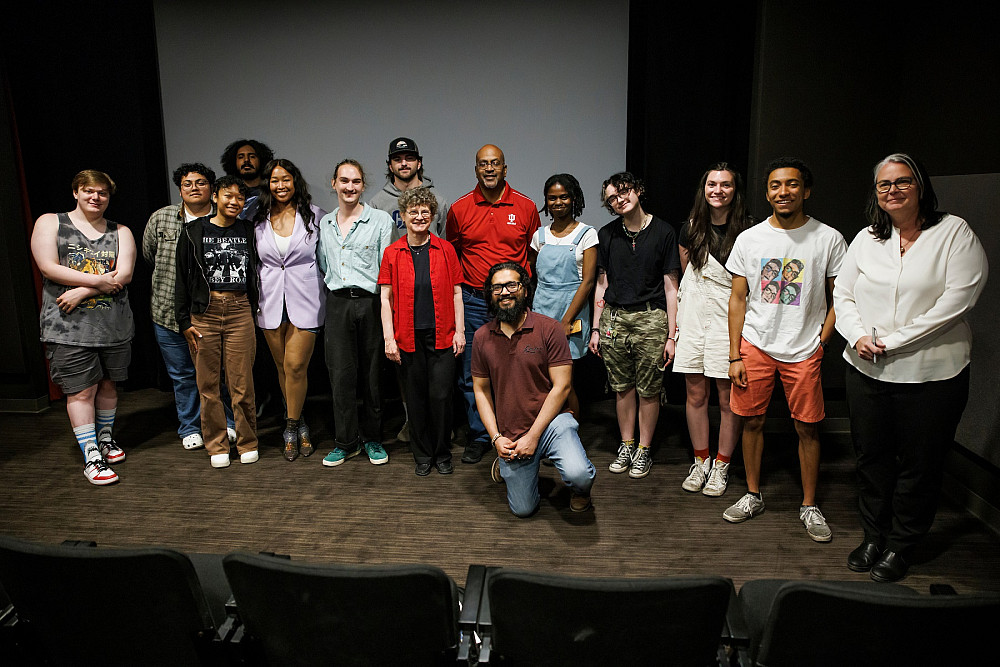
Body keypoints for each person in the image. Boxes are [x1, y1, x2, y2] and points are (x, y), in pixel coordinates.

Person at [834, 153, 988, 582]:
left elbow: (957, 301)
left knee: (920, 465)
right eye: (884, 184)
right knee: (871, 459)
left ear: (921, 186)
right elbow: (842, 296)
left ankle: (902, 545)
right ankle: (873, 536)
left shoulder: (953, 232)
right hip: (867, 370)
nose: (893, 190)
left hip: (933, 375)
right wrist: (858, 336)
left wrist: (891, 342)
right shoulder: (866, 238)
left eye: (903, 182)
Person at [723, 157, 847, 542]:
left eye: (792, 185)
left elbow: (840, 298)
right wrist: (734, 354)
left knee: (807, 428)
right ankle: (752, 494)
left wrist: (821, 343)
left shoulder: (828, 238)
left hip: (804, 347)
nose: (783, 192)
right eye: (776, 185)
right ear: (767, 192)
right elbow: (738, 299)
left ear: (806, 191)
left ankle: (809, 505)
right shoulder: (750, 239)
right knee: (752, 420)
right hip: (756, 344)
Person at [31, 170, 135, 485]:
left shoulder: (121, 231)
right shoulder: (51, 222)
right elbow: (48, 266)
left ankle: (105, 438)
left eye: (102, 193)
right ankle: (91, 455)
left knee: (107, 385)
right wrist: (98, 280)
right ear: (76, 192)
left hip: (113, 325)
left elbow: (125, 274)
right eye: (89, 191)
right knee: (81, 390)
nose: (96, 197)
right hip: (67, 328)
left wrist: (85, 290)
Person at [473, 262, 596, 516]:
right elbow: (481, 391)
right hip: (512, 431)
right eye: (497, 287)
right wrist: (496, 438)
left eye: (511, 285)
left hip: (553, 423)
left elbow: (562, 387)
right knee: (523, 510)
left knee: (579, 474)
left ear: (525, 290)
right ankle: (506, 466)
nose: (505, 292)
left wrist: (533, 436)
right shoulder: (482, 337)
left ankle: (581, 491)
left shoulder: (548, 328)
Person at [446, 145, 540, 464]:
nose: (489, 169)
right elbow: (455, 254)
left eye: (495, 163)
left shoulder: (526, 207)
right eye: (483, 164)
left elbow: (534, 254)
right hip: (474, 301)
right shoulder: (459, 209)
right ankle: (480, 434)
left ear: (505, 168)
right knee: (474, 372)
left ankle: (519, 430)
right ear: (475, 170)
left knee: (518, 369)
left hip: (514, 303)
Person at [588, 172, 679, 480]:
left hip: (652, 319)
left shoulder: (664, 231)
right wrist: (597, 328)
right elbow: (602, 284)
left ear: (638, 191)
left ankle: (644, 449)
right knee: (622, 388)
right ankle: (626, 444)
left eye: (624, 192)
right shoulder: (607, 234)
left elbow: (671, 286)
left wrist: (672, 334)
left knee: (650, 389)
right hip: (614, 319)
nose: (619, 200)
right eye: (612, 198)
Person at [143, 163, 236, 451]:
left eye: (201, 182)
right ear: (179, 188)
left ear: (212, 188)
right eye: (187, 184)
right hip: (167, 313)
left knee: (219, 374)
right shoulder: (162, 219)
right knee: (182, 375)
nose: (194, 188)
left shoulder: (224, 219)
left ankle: (227, 423)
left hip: (210, 313)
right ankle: (190, 427)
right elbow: (149, 256)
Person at [675, 163, 753, 497]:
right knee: (695, 394)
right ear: (703, 189)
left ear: (735, 190)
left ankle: (721, 466)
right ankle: (701, 460)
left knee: (727, 398)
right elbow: (688, 277)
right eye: (711, 184)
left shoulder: (749, 231)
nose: (717, 190)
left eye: (725, 185)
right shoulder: (690, 227)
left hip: (728, 320)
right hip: (694, 317)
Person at [368, 137, 451, 444]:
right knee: (407, 366)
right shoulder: (377, 203)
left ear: (419, 162)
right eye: (397, 158)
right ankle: (410, 420)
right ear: (390, 165)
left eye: (409, 158)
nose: (404, 163)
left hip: (432, 295)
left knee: (437, 367)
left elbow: (445, 246)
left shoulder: (438, 200)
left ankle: (440, 423)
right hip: (397, 294)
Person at [378, 187, 464, 476]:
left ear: (432, 215)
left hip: (442, 335)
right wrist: (389, 338)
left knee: (441, 397)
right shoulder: (392, 252)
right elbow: (385, 298)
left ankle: (442, 452)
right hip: (407, 338)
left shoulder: (446, 249)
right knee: (415, 400)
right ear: (402, 216)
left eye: (425, 211)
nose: (419, 216)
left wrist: (460, 332)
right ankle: (422, 454)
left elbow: (456, 294)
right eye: (413, 211)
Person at [176, 175, 260, 468]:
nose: (234, 202)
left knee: (241, 384)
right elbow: (181, 278)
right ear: (215, 197)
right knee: (208, 385)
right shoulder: (192, 231)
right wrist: (183, 319)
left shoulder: (248, 230)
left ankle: (248, 442)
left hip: (239, 312)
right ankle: (216, 445)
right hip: (204, 312)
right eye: (228, 196)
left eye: (239, 198)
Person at [317, 159, 393, 468]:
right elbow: (324, 264)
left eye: (356, 181)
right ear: (333, 184)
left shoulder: (381, 220)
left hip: (370, 302)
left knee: (372, 375)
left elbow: (386, 269)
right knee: (341, 375)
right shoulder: (325, 223)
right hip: (337, 303)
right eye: (344, 181)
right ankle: (346, 442)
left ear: (363, 186)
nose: (350, 187)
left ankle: (373, 439)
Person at [252, 158, 328, 461]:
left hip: (307, 300)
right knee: (283, 368)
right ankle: (300, 419)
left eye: (286, 179)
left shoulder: (316, 217)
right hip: (269, 302)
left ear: (295, 181)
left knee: (296, 366)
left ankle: (291, 425)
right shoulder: (257, 219)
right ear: (267, 184)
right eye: (274, 180)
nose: (280, 185)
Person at [528, 173, 597, 416]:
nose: (558, 203)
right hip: (542, 309)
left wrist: (567, 320)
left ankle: (570, 432)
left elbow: (588, 282)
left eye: (564, 197)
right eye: (552, 198)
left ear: (574, 198)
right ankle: (547, 429)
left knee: (564, 380)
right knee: (543, 378)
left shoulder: (587, 234)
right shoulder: (540, 236)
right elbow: (534, 276)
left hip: (572, 310)